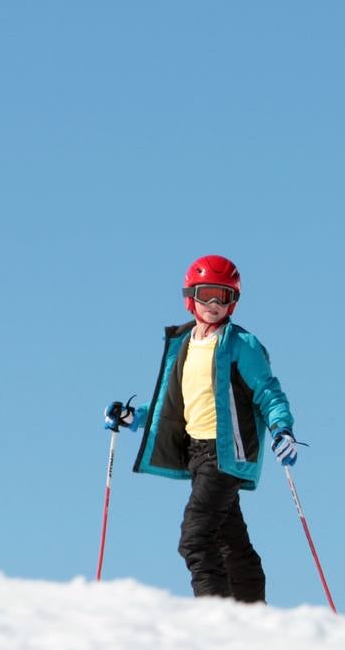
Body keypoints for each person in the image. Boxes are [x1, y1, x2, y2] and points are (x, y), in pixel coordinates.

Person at [104, 254, 298, 603]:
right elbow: (173, 404)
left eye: (222, 296)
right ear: (189, 297)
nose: (212, 304)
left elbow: (268, 392)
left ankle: (216, 617)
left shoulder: (240, 344)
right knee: (229, 538)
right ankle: (252, 610)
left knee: (195, 537)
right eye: (206, 293)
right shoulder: (185, 344)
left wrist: (282, 429)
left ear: (232, 302)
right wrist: (135, 417)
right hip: (196, 453)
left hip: (224, 454)